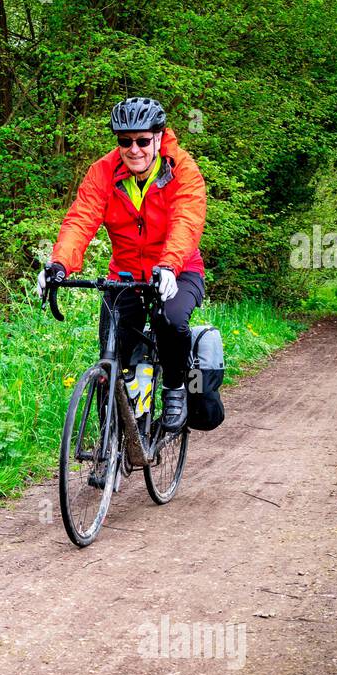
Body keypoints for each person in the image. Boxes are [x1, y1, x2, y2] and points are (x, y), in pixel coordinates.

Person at [37, 97, 207, 432]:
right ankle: (110, 442)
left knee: (169, 321)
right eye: (125, 141)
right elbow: (80, 220)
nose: (134, 149)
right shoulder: (103, 171)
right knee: (111, 354)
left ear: (159, 137)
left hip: (179, 269)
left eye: (143, 140)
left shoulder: (182, 170)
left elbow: (187, 221)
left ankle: (174, 389)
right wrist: (58, 264)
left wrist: (170, 265)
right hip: (126, 274)